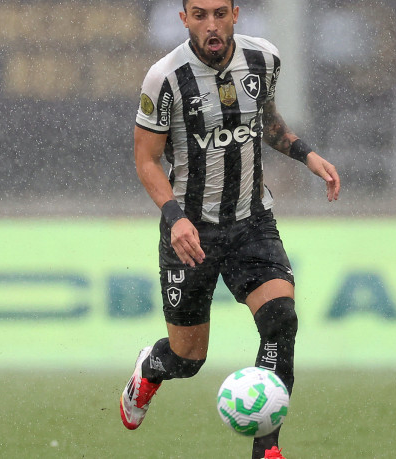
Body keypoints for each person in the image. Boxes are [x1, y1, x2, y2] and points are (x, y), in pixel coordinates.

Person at [120, 1, 340, 458]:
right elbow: (146, 160)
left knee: (281, 320)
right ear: (184, 20)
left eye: (220, 13)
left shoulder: (264, 59)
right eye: (199, 15)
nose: (211, 25)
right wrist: (174, 216)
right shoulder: (164, 78)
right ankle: (150, 370)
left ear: (236, 14)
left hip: (251, 221)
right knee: (187, 359)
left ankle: (267, 449)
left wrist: (305, 154)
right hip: (191, 232)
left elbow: (266, 122)